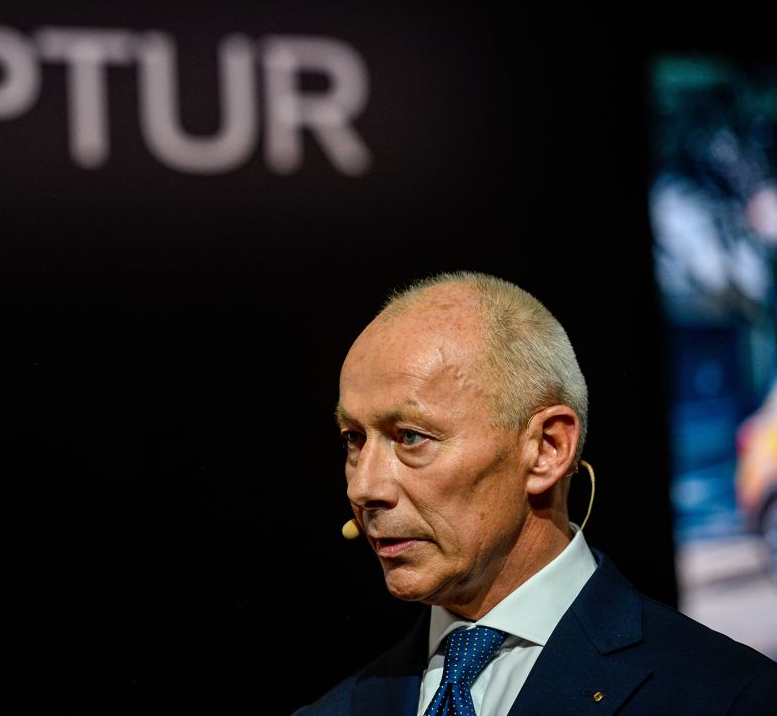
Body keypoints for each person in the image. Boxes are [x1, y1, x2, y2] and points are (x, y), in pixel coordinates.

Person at [294, 271, 777, 716]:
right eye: (353, 439)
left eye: (410, 436)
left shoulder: (727, 699)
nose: (364, 487)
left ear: (548, 448)